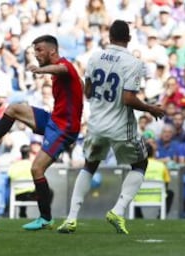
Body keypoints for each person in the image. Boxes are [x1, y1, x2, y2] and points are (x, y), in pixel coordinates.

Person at [0, 35, 83, 230]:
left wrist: (40, 70)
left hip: (64, 128)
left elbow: (62, 70)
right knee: (13, 109)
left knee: (36, 169)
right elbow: (78, 84)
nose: (36, 55)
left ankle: (45, 218)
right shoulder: (64, 73)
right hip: (55, 120)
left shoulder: (64, 65)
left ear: (52, 51)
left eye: (39, 50)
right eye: (34, 50)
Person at [56, 20, 165, 234]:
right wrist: (150, 108)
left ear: (109, 37)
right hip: (120, 126)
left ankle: (71, 218)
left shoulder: (94, 57)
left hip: (97, 124)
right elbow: (128, 99)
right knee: (140, 164)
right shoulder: (133, 62)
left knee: (89, 165)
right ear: (129, 38)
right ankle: (118, 209)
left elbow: (87, 91)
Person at [8, 144, 53, 218]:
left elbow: (10, 175)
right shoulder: (33, 165)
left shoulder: (14, 165)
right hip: (32, 195)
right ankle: (46, 213)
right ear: (29, 153)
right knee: (48, 191)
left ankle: (22, 213)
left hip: (17, 194)